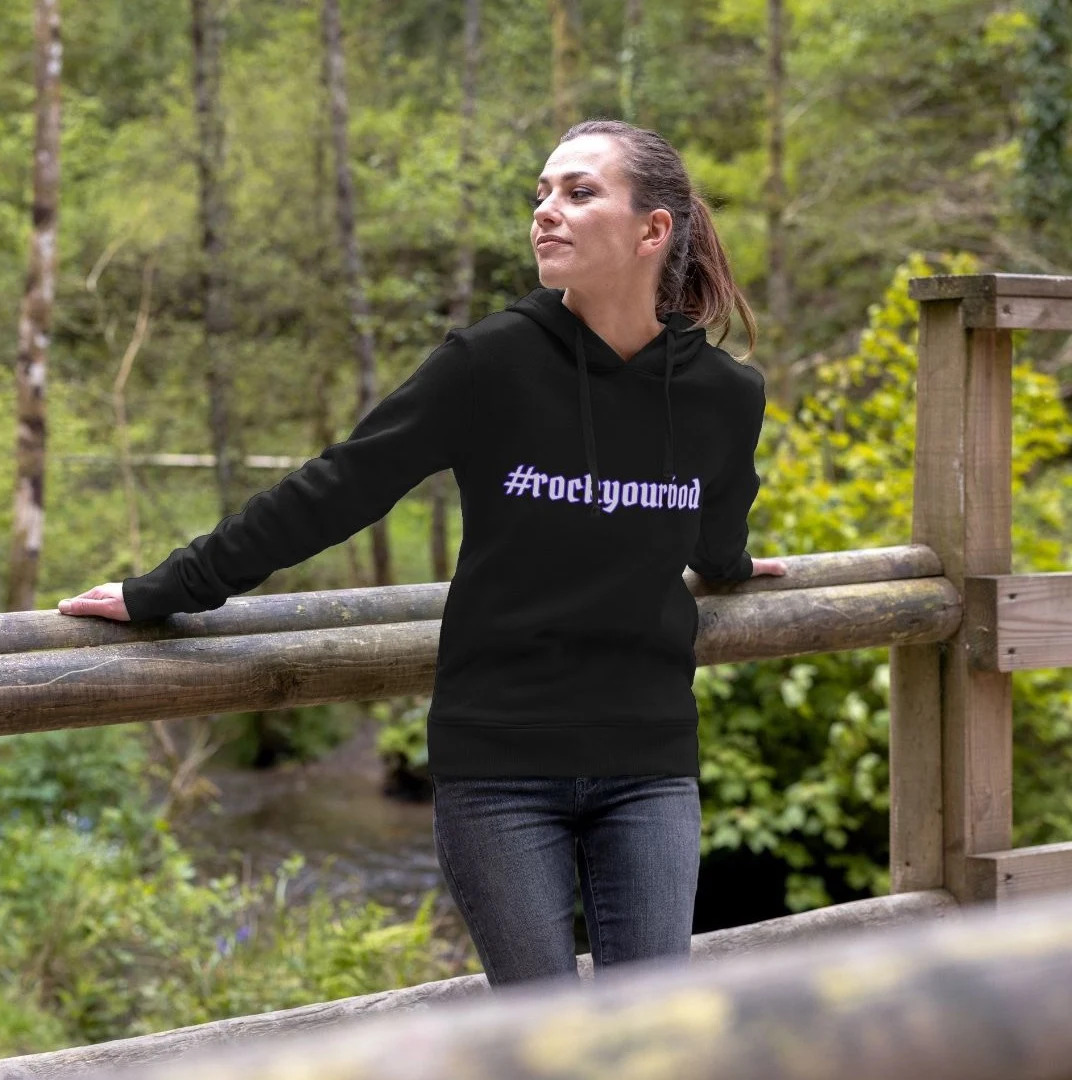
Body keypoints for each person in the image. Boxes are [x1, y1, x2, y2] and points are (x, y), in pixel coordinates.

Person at [58, 118, 787, 992]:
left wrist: (733, 570)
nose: (545, 210)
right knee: (540, 1034)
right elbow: (339, 487)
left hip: (649, 763)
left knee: (651, 1028)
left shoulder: (723, 395)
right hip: (500, 766)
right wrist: (167, 587)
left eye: (579, 192)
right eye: (541, 193)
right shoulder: (490, 364)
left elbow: (714, 526)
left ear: (652, 229)